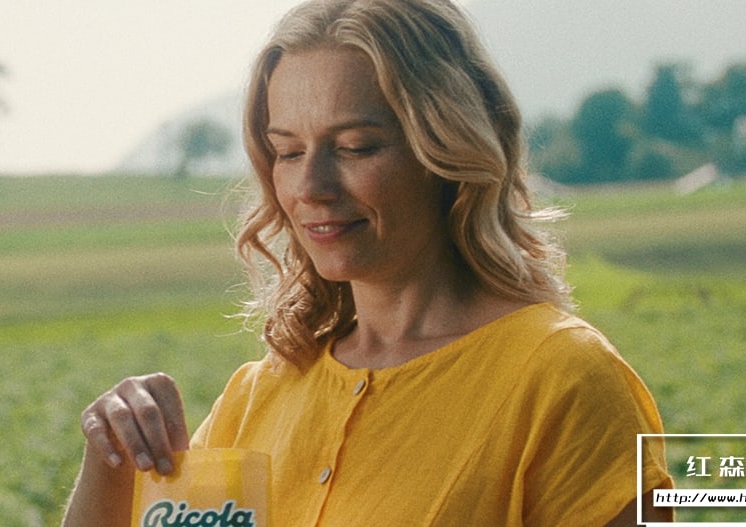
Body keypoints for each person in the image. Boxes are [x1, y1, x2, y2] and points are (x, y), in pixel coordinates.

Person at [62, 0, 674, 525]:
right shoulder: (257, 396)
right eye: (288, 152)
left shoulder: (563, 377)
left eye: (356, 147)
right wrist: (111, 463)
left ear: (447, 149)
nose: (311, 187)